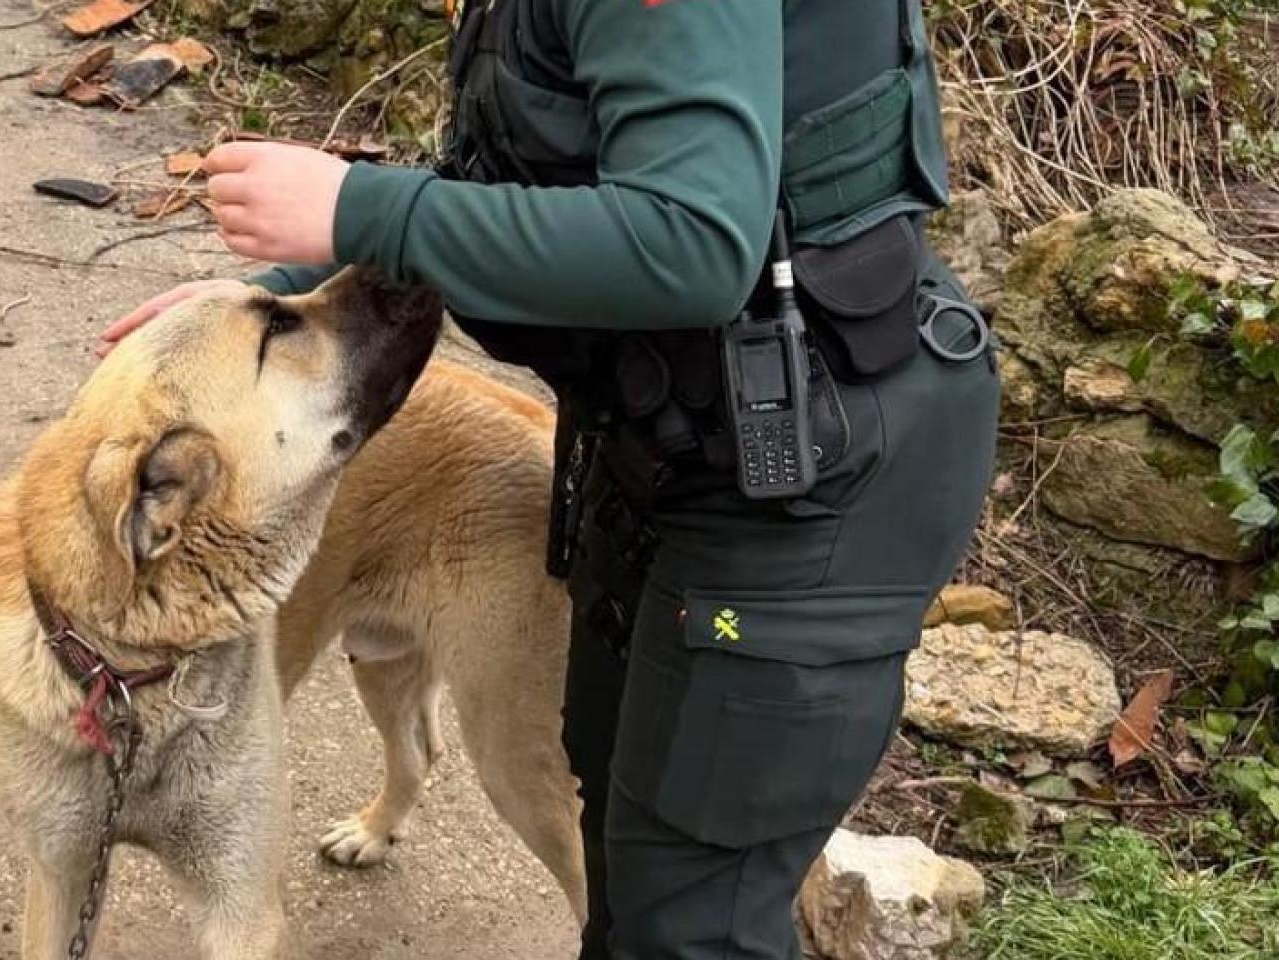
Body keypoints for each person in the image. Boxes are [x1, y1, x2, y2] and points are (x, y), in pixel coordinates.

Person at [102, 0, 999, 956]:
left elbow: (693, 242)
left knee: (694, 919)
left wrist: (358, 207)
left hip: (803, 482)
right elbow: (535, 177)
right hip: (673, 445)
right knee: (617, 828)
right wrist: (280, 299)